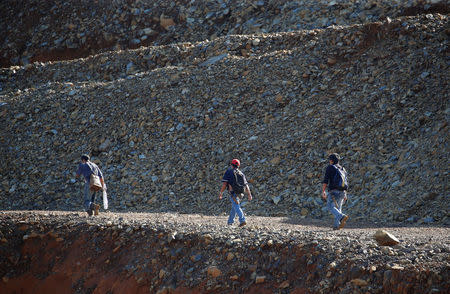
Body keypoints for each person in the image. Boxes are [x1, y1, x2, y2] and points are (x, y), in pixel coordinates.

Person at [219, 159, 252, 227]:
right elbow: (246, 185)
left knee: (236, 206)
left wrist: (221, 192)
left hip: (233, 193)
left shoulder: (229, 172)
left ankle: (242, 220)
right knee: (234, 206)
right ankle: (230, 222)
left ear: (231, 165)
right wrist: (249, 194)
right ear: (238, 166)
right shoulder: (241, 173)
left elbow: (224, 184)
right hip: (240, 193)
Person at [322, 153, 349, 230]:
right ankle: (337, 226)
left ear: (331, 160)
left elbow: (326, 180)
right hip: (342, 191)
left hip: (333, 191)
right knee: (338, 207)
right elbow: (346, 181)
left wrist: (323, 191)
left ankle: (341, 217)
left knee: (330, 206)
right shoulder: (343, 169)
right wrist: (345, 194)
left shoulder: (330, 167)